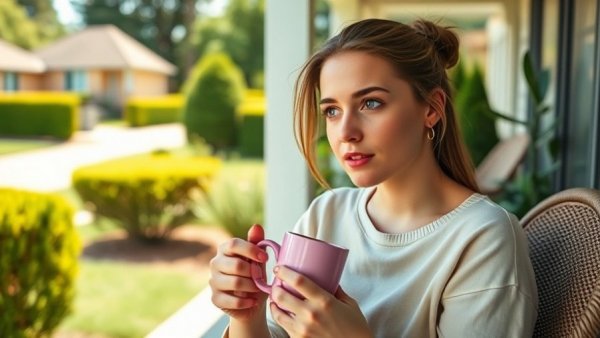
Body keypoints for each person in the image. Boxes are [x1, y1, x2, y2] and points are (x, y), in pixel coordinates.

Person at [209, 18, 538, 337]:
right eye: (332, 111)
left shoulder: (482, 238)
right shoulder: (327, 214)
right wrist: (247, 317)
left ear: (431, 109)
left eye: (371, 103)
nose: (346, 132)